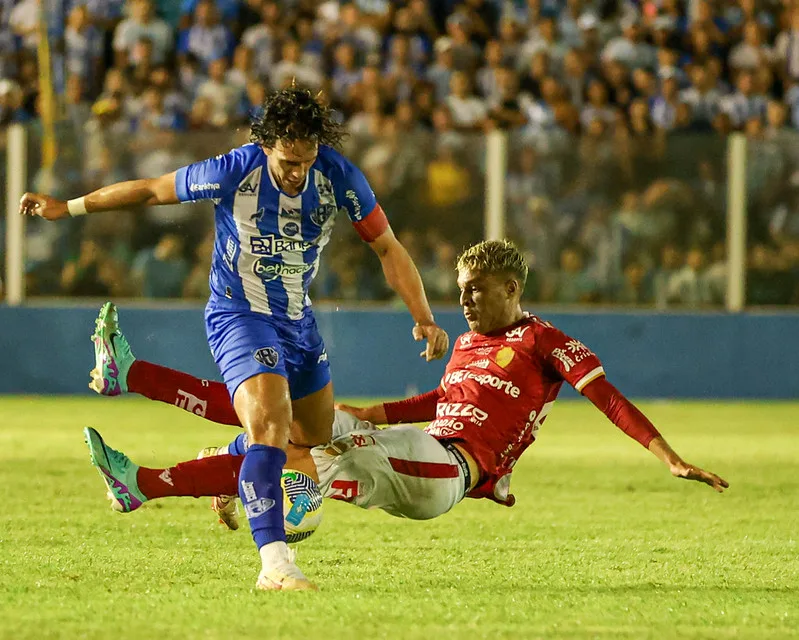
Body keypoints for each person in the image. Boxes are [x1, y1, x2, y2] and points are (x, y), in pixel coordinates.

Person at [19, 88, 449, 592]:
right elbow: (152, 190)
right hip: (239, 314)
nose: (297, 172)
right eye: (289, 161)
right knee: (270, 427)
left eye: (306, 161)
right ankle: (275, 565)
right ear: (266, 145)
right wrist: (65, 208)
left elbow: (385, 245)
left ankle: (204, 458)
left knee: (308, 441)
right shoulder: (234, 169)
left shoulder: (338, 176)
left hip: (298, 321)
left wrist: (423, 315)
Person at [83, 240, 727, 543]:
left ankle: (276, 499)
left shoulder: (542, 342)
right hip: (416, 445)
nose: (466, 300)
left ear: (512, 288)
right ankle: (134, 400)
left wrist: (666, 454)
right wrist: (368, 412)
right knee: (280, 417)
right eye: (462, 288)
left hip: (444, 471)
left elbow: (607, 395)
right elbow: (438, 405)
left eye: (478, 288)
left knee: (289, 450)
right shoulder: (470, 347)